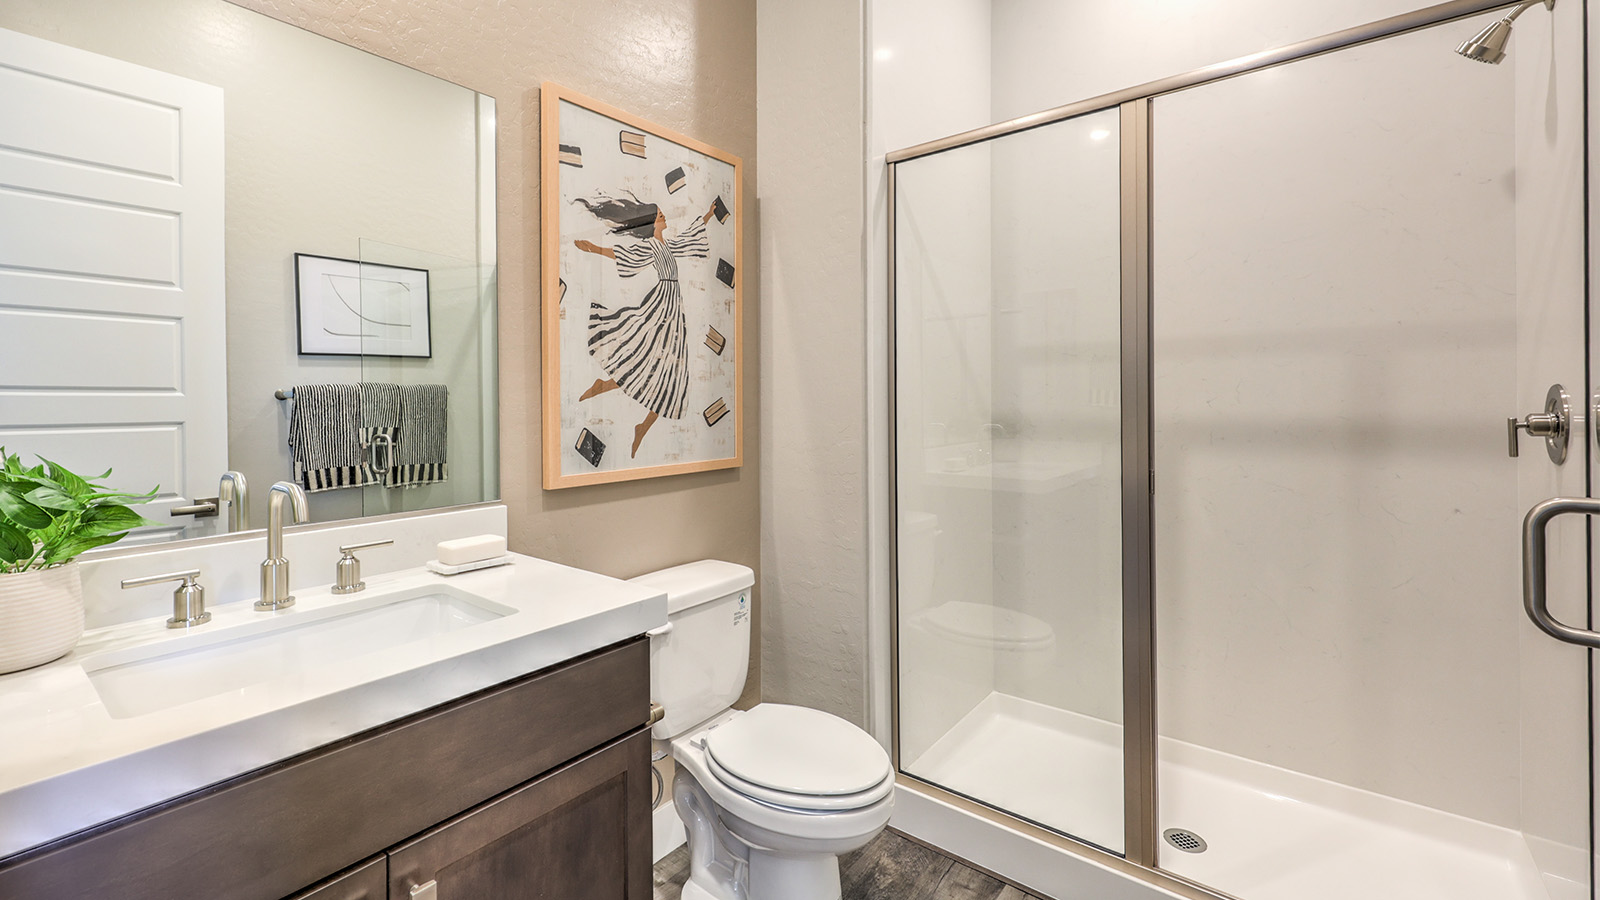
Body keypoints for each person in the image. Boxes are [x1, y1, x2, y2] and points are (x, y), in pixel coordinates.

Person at [573, 191, 718, 457]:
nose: (665, 218)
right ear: (652, 222)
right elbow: (625, 256)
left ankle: (629, 411)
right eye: (661, 215)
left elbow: (690, 238)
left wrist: (708, 214)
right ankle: (605, 387)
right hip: (662, 307)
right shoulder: (651, 247)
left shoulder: (668, 245)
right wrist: (593, 249)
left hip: (675, 309)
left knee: (671, 372)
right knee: (648, 361)